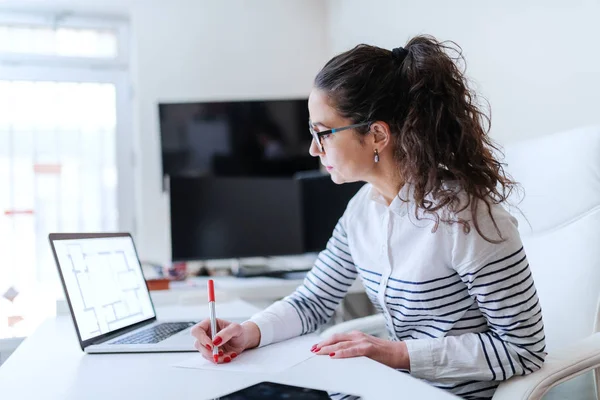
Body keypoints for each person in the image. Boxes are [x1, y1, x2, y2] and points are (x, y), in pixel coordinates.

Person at [191, 35, 546, 399]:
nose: (314, 148)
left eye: (323, 132)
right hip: (390, 389)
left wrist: (395, 354)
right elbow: (313, 301)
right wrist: (249, 332)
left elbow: (524, 350)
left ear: (377, 134)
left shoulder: (468, 218)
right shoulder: (362, 210)